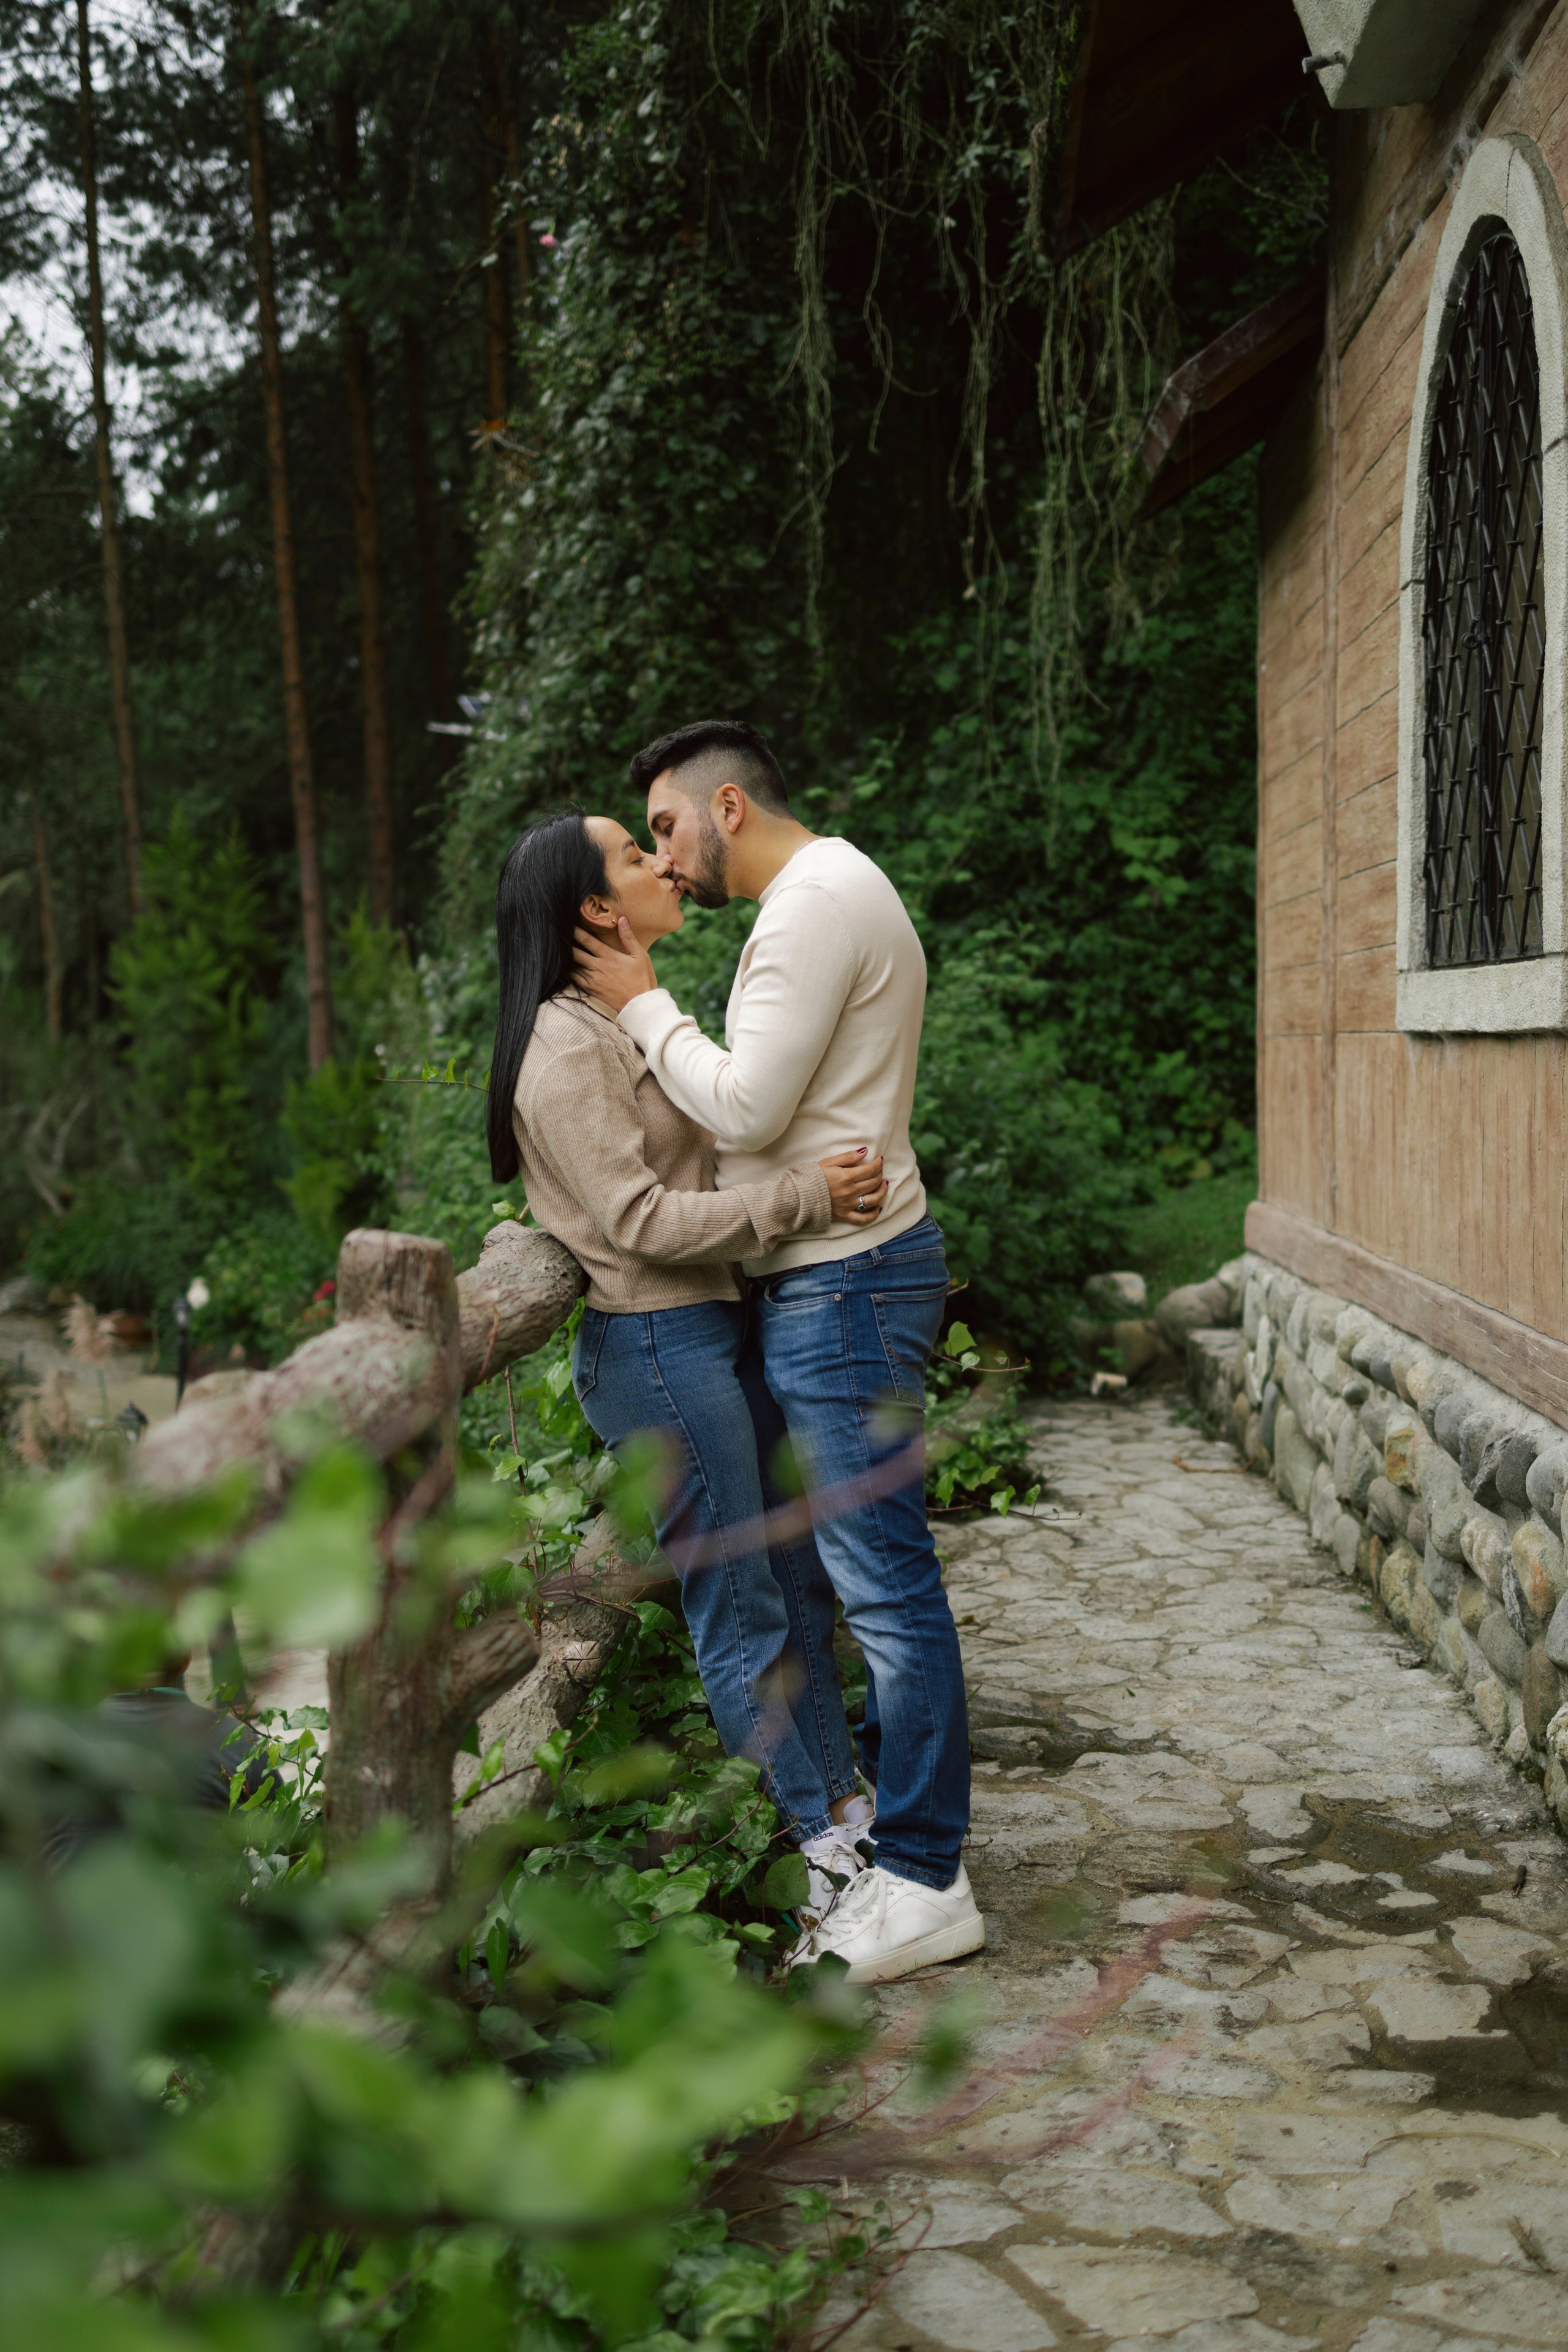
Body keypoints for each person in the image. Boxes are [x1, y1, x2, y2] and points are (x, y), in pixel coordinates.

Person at [573, 719, 982, 1985]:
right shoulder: (827, 891)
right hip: (842, 1275)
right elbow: (769, 1117)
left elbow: (745, 1105)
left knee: (884, 1588)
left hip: (843, 1285)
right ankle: (906, 1859)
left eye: (666, 828)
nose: (663, 858)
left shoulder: (810, 906)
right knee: (871, 1578)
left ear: (728, 808)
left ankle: (924, 1878)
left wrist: (643, 1007)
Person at [487, 807, 884, 1914]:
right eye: (635, 854)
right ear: (594, 907)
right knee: (739, 1600)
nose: (664, 862)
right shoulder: (565, 1047)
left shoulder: (616, 1018)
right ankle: (819, 1847)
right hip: (656, 1347)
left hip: (708, 1328)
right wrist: (804, 1199)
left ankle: (845, 1808)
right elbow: (640, 1220)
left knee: (791, 1574)